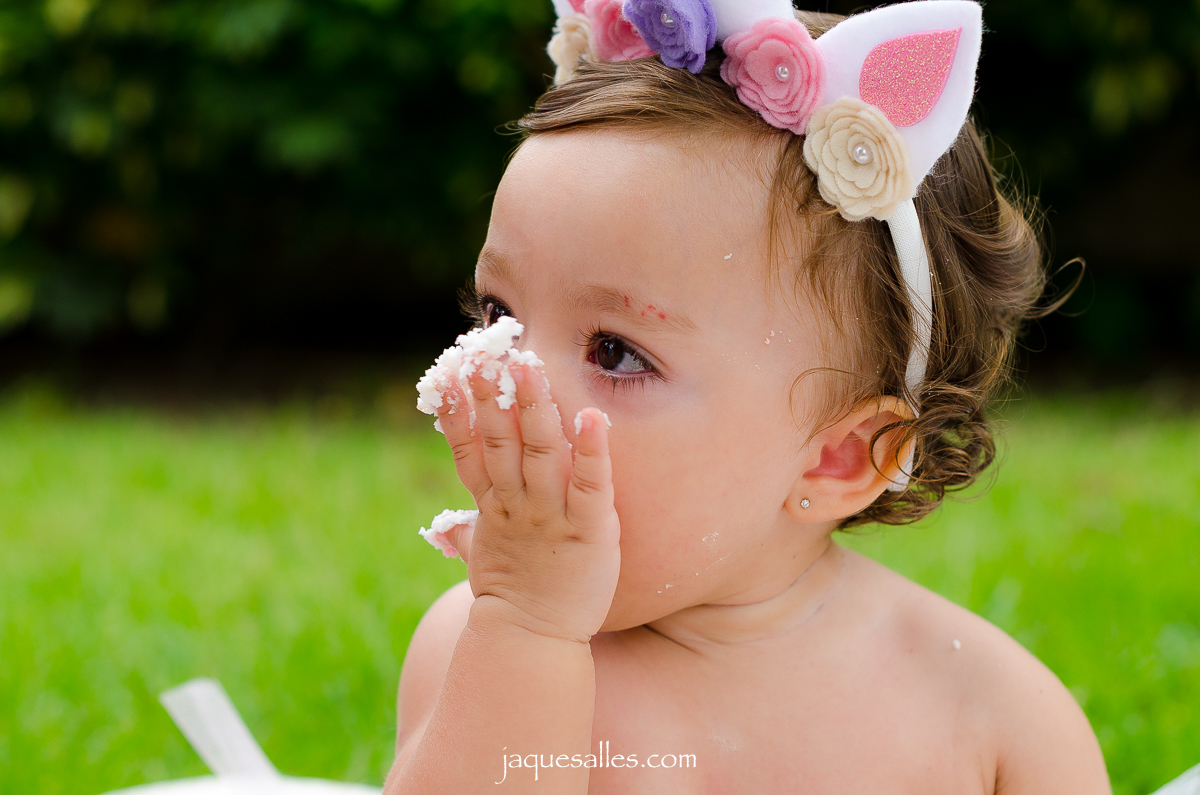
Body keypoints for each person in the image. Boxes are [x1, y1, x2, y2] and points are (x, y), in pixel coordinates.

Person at [386, 1, 1112, 792]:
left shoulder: (989, 715)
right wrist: (526, 630)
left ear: (835, 459)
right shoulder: (487, 653)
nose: (509, 377)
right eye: (501, 315)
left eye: (616, 351)